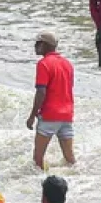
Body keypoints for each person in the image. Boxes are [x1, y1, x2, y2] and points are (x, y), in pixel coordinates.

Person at [27, 31, 76, 169]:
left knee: (38, 158)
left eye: (38, 43)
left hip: (49, 115)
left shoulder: (43, 64)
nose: (35, 46)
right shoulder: (67, 64)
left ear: (45, 45)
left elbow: (41, 92)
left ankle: (40, 185)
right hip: (67, 115)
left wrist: (32, 116)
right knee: (70, 158)